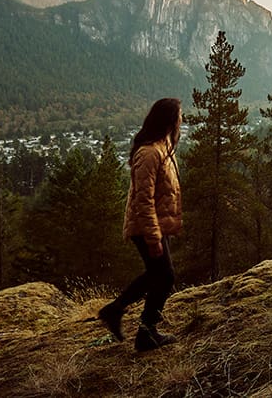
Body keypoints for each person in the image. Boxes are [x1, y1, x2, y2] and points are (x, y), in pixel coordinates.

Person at [98, 97, 183, 352]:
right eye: (179, 115)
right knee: (165, 276)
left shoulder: (163, 145)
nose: (182, 119)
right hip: (146, 225)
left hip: (155, 223)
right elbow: (142, 199)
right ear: (168, 119)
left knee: (156, 274)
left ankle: (115, 310)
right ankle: (146, 333)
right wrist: (153, 236)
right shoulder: (148, 153)